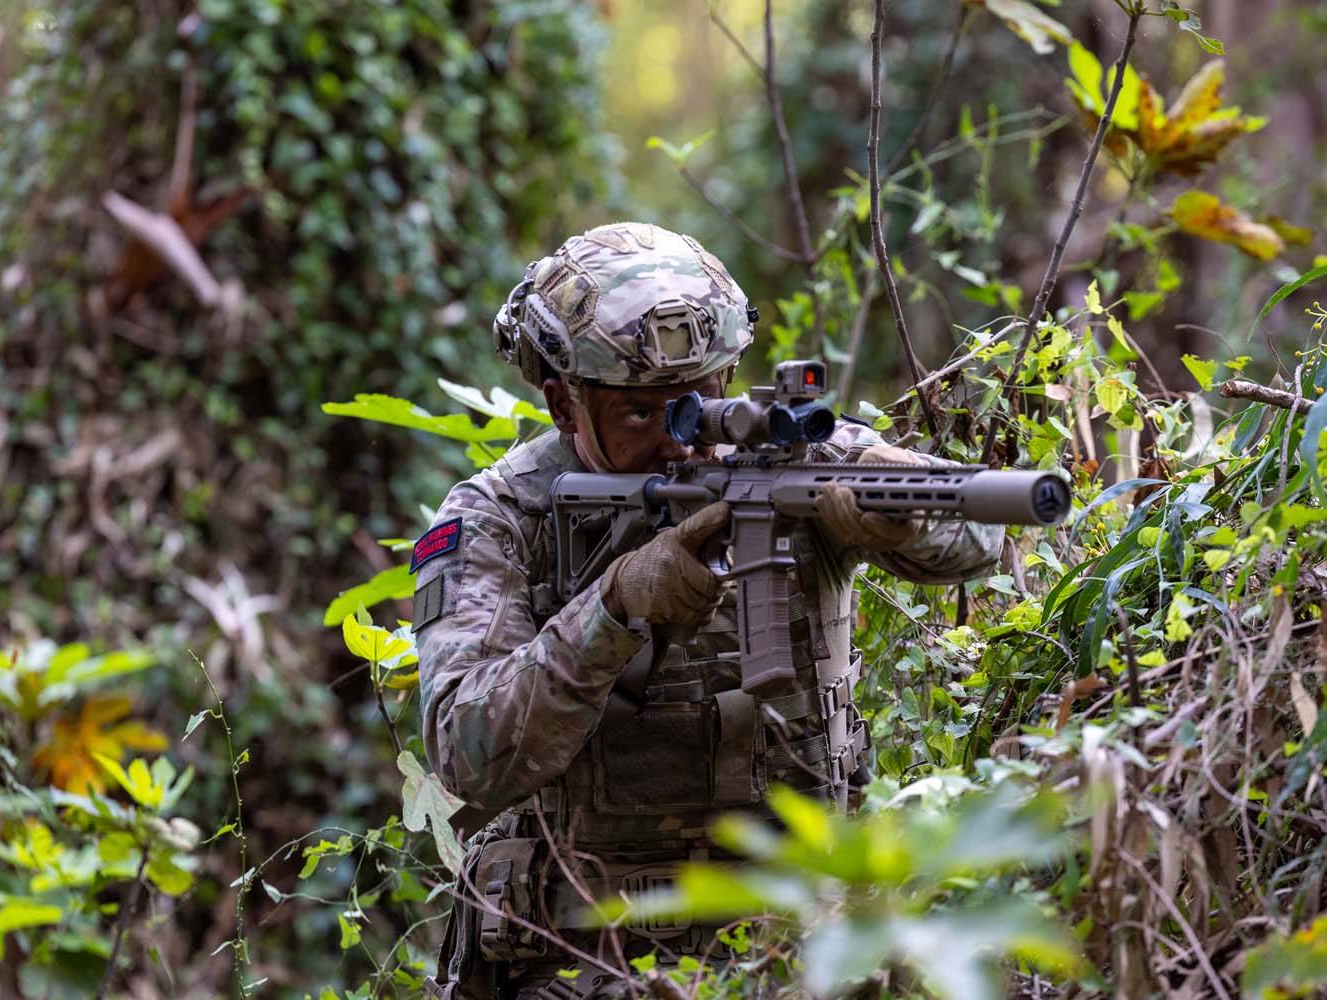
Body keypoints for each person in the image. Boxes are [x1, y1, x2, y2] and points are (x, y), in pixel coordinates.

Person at [414, 222, 1003, 999]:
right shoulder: (499, 520)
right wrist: (613, 608)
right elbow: (467, 752)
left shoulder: (797, 459)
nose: (682, 441)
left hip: (804, 949)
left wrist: (908, 515)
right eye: (640, 414)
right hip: (590, 959)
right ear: (563, 403)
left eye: (702, 402)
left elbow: (983, 530)